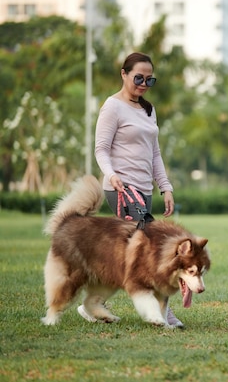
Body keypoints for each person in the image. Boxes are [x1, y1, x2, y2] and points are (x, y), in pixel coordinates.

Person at [77, 52, 183, 327]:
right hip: (122, 189)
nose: (144, 83)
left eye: (150, 79)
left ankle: (92, 304)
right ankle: (164, 313)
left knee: (128, 254)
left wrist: (166, 187)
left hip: (145, 190)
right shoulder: (112, 107)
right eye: (138, 77)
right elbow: (101, 149)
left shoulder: (148, 109)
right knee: (153, 249)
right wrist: (111, 176)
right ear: (123, 74)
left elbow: (155, 153)